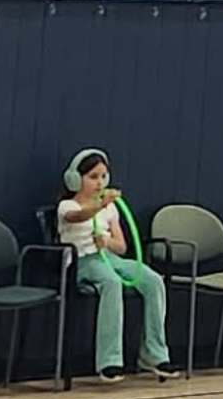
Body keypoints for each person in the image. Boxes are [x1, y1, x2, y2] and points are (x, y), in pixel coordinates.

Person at [51, 149, 171, 381]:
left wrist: (106, 241)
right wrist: (99, 205)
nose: (99, 183)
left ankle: (154, 354)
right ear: (76, 179)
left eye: (103, 177)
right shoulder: (67, 206)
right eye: (93, 177)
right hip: (82, 261)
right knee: (111, 282)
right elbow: (78, 217)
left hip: (109, 258)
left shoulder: (110, 208)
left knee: (153, 280)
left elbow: (122, 246)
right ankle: (109, 361)